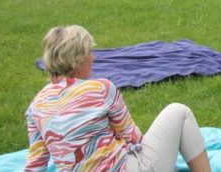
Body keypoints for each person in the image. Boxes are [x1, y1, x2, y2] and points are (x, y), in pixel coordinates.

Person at [25, 25, 211, 172]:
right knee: (179, 112)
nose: (93, 57)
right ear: (78, 59)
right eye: (90, 51)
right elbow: (133, 137)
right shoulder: (101, 89)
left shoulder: (35, 106)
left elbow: (35, 165)